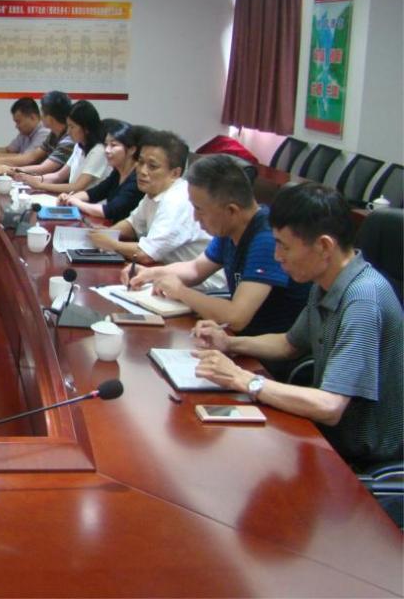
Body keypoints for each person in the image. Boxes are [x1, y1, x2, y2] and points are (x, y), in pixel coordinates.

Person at [192, 183, 402, 475]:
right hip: (326, 438)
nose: (277, 256)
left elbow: (330, 406)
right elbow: (289, 344)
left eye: (284, 246)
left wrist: (243, 378)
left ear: (324, 246)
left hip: (359, 462)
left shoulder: (363, 300)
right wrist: (229, 344)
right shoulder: (326, 283)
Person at [129, 154, 310, 346]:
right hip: (236, 339)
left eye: (199, 209)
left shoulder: (266, 239)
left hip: (263, 349)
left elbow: (237, 317)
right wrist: (152, 273)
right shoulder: (231, 228)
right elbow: (196, 269)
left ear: (231, 211)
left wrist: (181, 292)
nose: (195, 217)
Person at [91, 129, 225, 291]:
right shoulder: (155, 191)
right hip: (165, 272)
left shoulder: (176, 200)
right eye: (140, 162)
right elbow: (132, 224)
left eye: (152, 166)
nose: (142, 171)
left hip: (201, 287)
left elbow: (146, 254)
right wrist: (107, 233)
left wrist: (111, 243)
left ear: (175, 173)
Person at [14, 100, 109, 194]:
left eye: (72, 127)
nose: (68, 132)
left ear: (86, 128)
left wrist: (39, 185)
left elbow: (77, 186)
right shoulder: (79, 146)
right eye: (68, 126)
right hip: (74, 199)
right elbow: (58, 176)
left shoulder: (98, 151)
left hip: (87, 202)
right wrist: (33, 179)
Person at [59, 120, 144, 222]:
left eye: (113, 145)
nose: (107, 150)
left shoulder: (138, 178)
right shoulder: (118, 172)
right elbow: (95, 193)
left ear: (132, 150)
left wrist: (76, 202)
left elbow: (109, 211)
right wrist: (69, 198)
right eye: (106, 145)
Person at [0, 90, 73, 175]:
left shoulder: (68, 140)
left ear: (50, 118)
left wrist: (7, 169)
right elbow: (31, 157)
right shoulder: (53, 135)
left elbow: (44, 168)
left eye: (43, 112)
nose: (40, 116)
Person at [0, 97, 50, 162]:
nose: (16, 126)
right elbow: (9, 150)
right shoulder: (25, 133)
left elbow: (26, 158)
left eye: (18, 122)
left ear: (32, 117)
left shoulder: (45, 133)